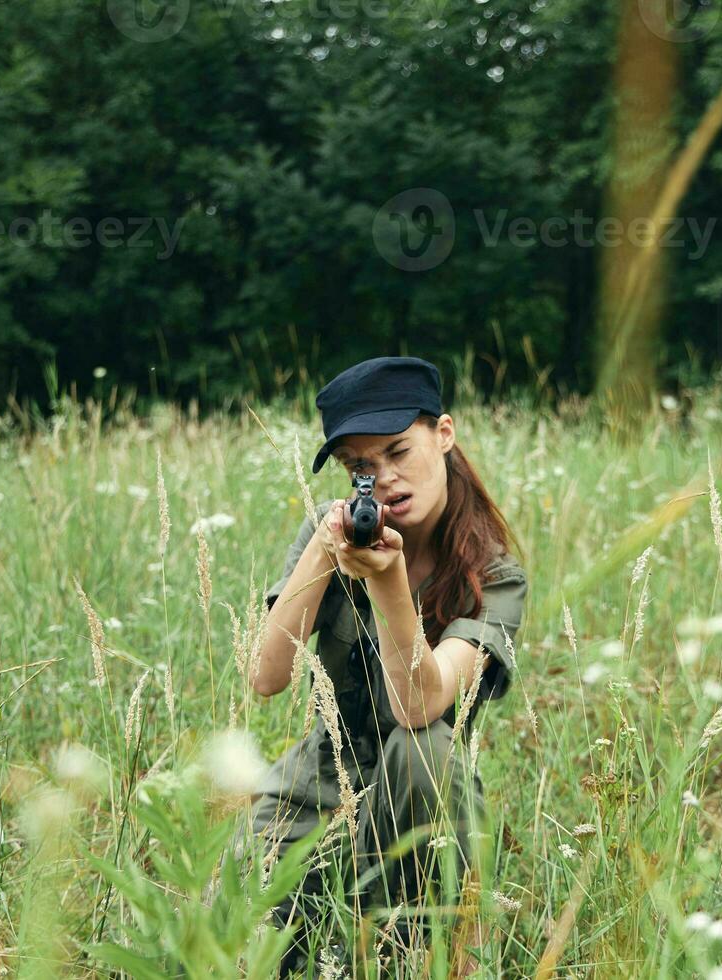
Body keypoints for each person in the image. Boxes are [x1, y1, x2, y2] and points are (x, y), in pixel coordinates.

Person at [244, 356, 528, 977]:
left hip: (423, 803)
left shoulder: (496, 577)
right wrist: (323, 550)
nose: (386, 479)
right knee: (260, 954)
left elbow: (419, 708)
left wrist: (389, 581)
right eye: (361, 467)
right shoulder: (332, 530)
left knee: (423, 746)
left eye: (399, 451)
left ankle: (428, 941)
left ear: (443, 435)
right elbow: (265, 678)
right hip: (317, 785)